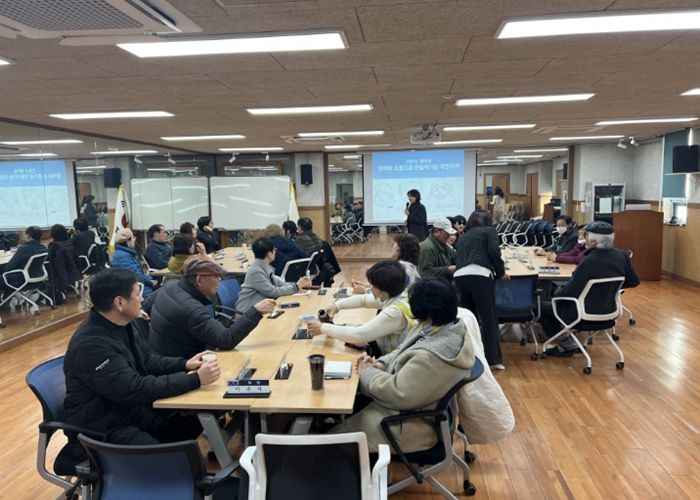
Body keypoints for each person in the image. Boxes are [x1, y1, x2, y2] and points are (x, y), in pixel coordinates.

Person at [63, 268, 220, 445]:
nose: (142, 299)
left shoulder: (122, 324)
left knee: (198, 418)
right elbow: (134, 389)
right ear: (120, 302)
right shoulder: (90, 346)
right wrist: (195, 379)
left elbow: (147, 360)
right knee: (175, 455)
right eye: (137, 294)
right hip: (104, 428)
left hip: (132, 411)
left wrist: (185, 364)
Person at [331, 278, 475, 453]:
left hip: (405, 425)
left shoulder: (432, 355)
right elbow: (401, 350)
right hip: (411, 409)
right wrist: (381, 363)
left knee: (330, 441)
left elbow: (397, 393)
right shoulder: (440, 327)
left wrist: (368, 373)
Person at [538, 221, 640, 356]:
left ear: (592, 242)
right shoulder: (623, 256)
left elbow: (571, 291)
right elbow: (634, 281)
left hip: (582, 312)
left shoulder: (588, 260)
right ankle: (569, 343)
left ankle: (566, 345)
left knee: (540, 307)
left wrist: (555, 296)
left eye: (585, 236)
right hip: (610, 311)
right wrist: (611, 288)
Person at [149, 255, 275, 358]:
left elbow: (145, 307)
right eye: (216, 276)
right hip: (183, 366)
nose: (220, 280)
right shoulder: (192, 310)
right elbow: (227, 339)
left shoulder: (169, 285)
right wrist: (256, 311)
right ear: (199, 279)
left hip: (160, 356)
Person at [308, 261, 415, 355]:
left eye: (373, 286)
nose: (371, 288)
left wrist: (322, 328)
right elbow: (364, 300)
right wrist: (336, 306)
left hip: (389, 361)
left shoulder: (395, 313)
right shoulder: (398, 295)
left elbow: (359, 335)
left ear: (384, 289)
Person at [454, 210, 509, 370]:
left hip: (460, 277)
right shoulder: (489, 231)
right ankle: (493, 359)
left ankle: (469, 358)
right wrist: (501, 272)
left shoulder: (464, 236)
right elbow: (493, 251)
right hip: (480, 276)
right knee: (488, 318)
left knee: (469, 320)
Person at [235, 237, 311, 312]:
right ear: (269, 254)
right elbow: (272, 292)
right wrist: (296, 286)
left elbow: (280, 284)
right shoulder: (256, 271)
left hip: (260, 310)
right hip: (247, 313)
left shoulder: (265, 267)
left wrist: (299, 284)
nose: (275, 252)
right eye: (275, 250)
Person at [110, 228, 159, 297]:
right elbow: (136, 276)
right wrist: (150, 282)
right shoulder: (123, 256)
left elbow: (138, 274)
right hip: (138, 291)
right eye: (133, 237)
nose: (134, 239)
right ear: (127, 241)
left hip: (138, 287)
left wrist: (149, 279)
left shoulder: (126, 253)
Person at [2, 226, 48, 292]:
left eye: (25, 235)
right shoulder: (44, 248)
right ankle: (8, 296)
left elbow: (9, 267)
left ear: (29, 236)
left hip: (20, 279)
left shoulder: (23, 249)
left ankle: (6, 296)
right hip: (39, 278)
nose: (24, 236)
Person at [48, 224, 81, 301]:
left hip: (58, 273)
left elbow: (49, 259)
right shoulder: (69, 243)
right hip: (71, 272)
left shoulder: (54, 246)